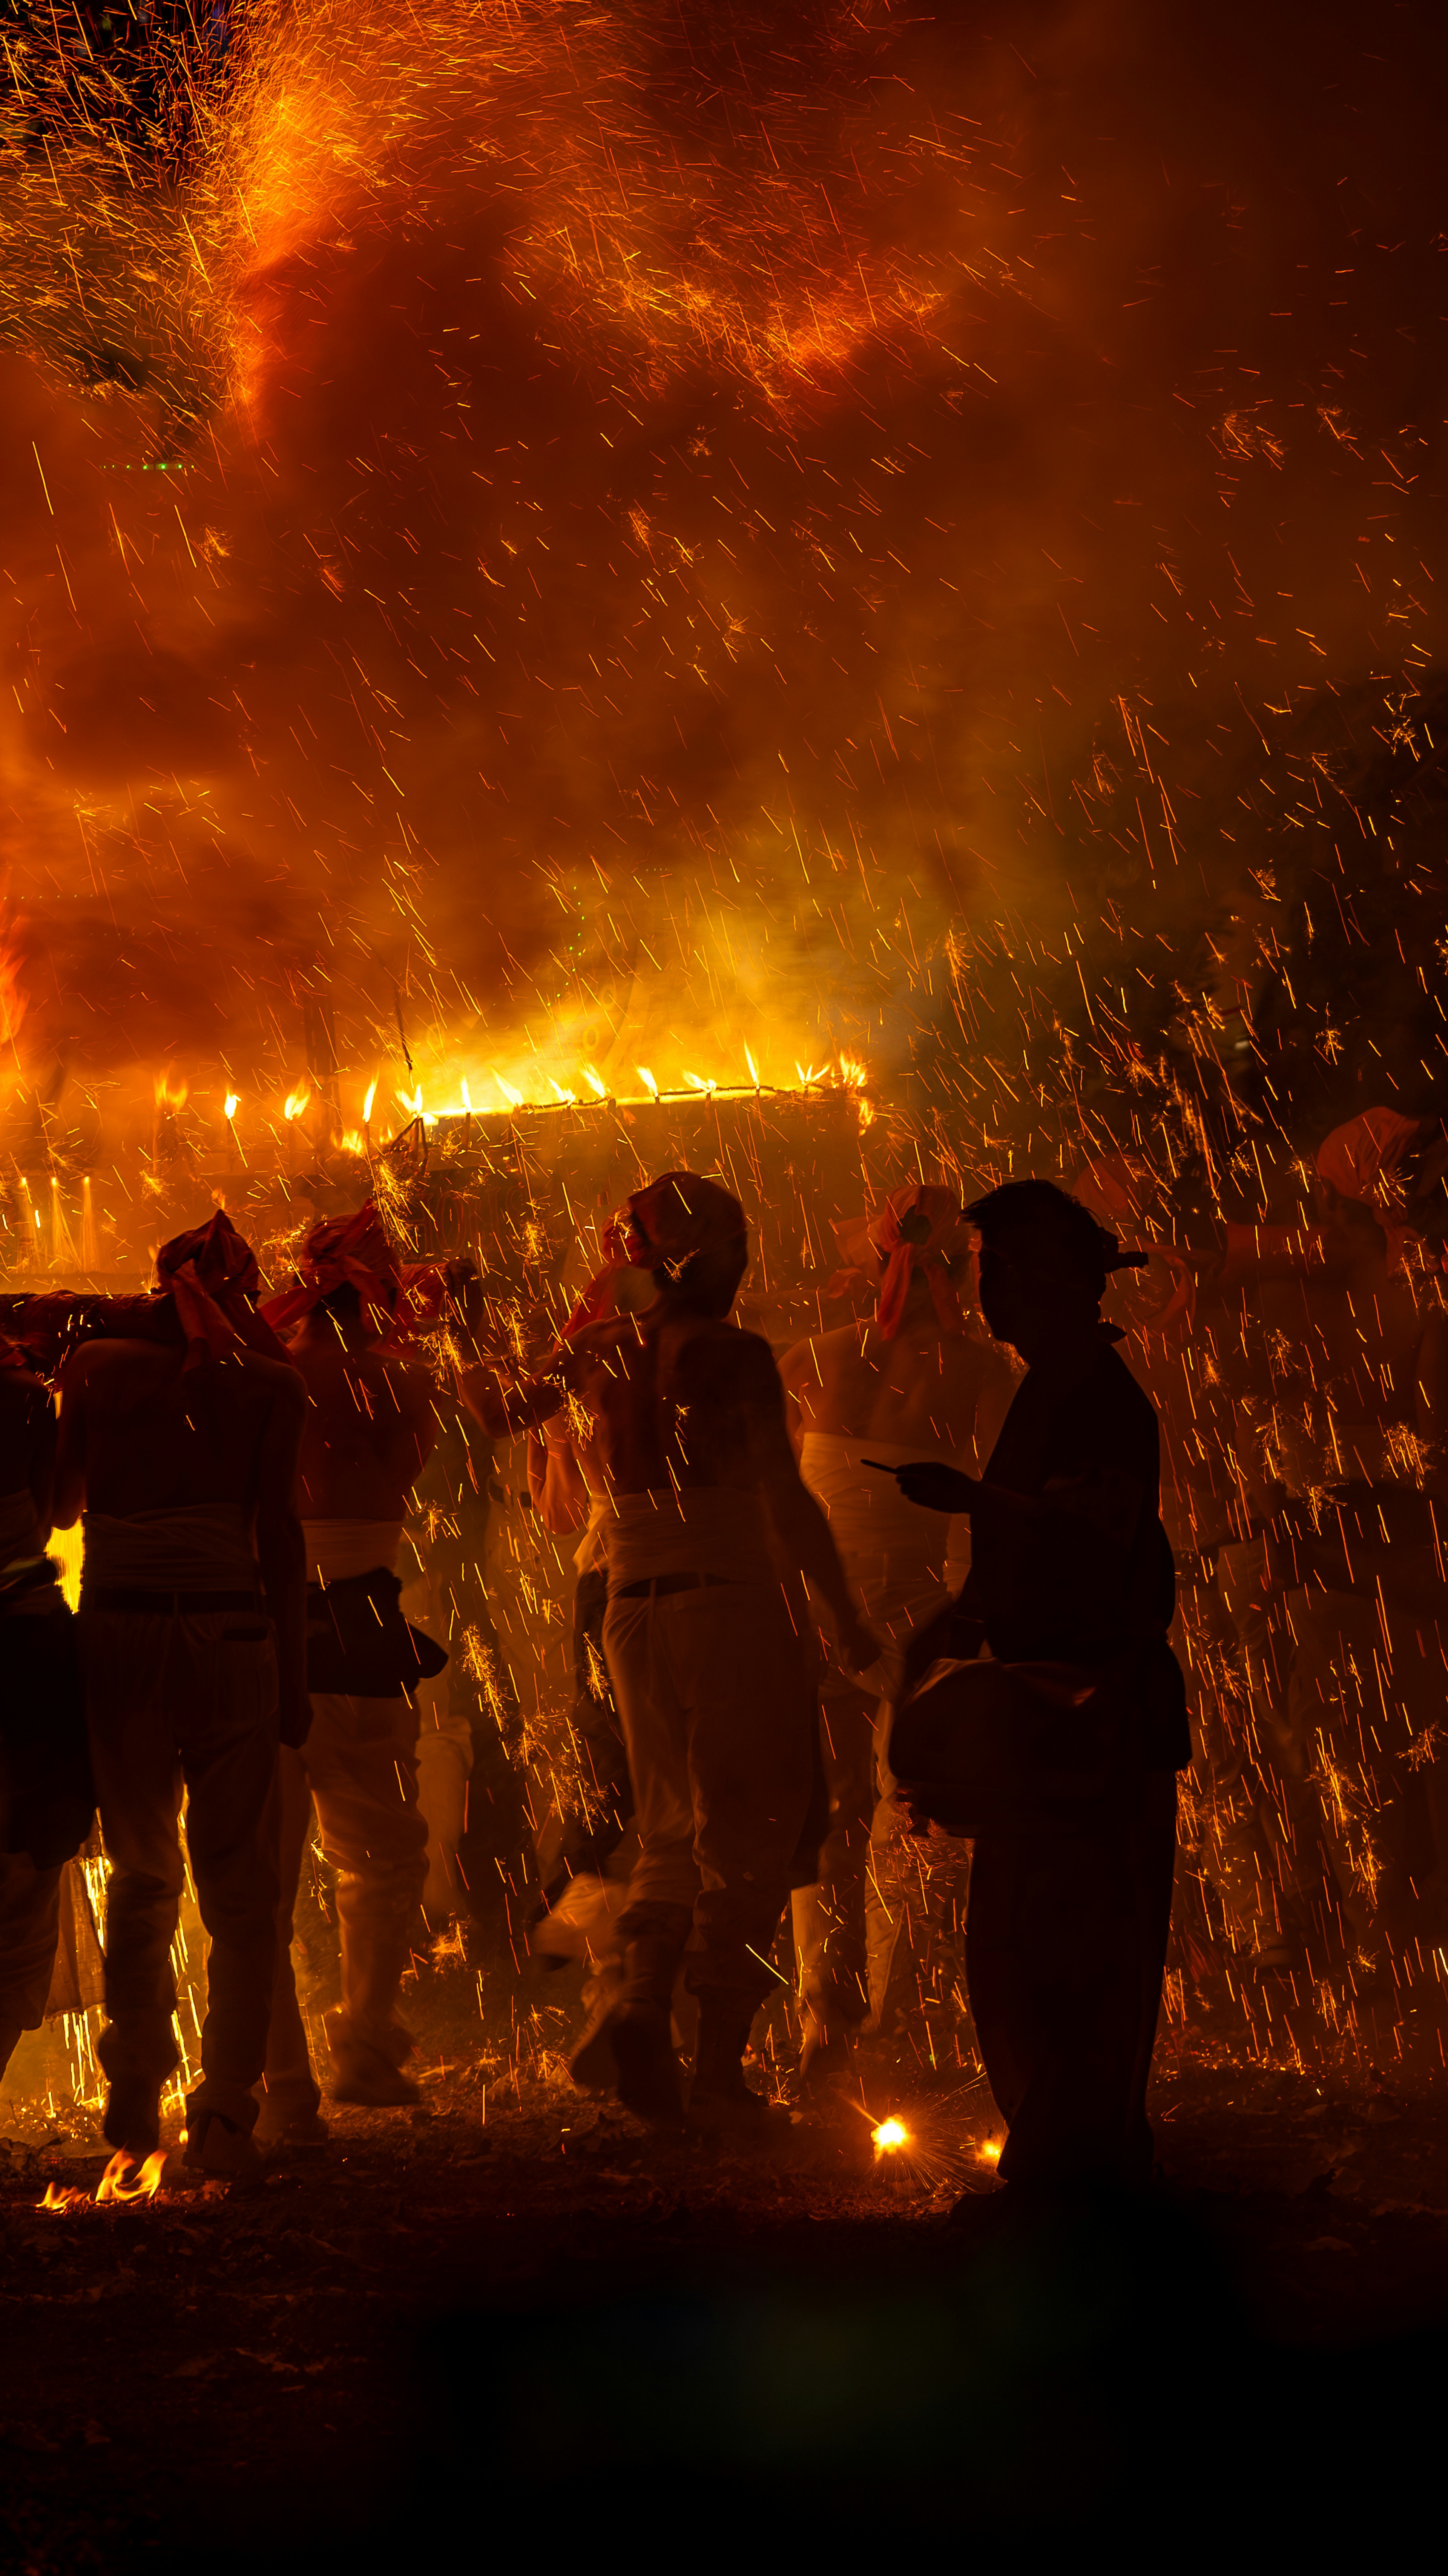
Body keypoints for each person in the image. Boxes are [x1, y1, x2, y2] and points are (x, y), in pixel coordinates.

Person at [458, 1169, 878, 2133]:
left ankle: (645, 2003)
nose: (745, 1264)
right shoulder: (733, 1354)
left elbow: (494, 1410)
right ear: (712, 1258)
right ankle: (722, 2072)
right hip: (727, 1601)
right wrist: (846, 1617)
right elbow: (786, 1497)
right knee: (759, 1828)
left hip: (630, 1605)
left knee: (666, 1828)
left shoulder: (600, 1352)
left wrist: (466, 1324)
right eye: (737, 1246)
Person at [886, 1179, 1190, 2194]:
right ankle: (1067, 2165)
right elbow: (1029, 1549)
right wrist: (958, 1622)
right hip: (1048, 1719)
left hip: (1096, 1715)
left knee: (1078, 1955)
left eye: (1002, 1273)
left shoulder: (1097, 1395)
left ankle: (1080, 2177)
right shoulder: (1051, 1386)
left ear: (1051, 1282)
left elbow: (1090, 1529)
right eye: (986, 1273)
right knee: (1021, 1954)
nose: (987, 1295)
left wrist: (972, 1496)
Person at [52, 1214, 308, 2179]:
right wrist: (295, 1683)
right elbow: (279, 1539)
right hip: (232, 1633)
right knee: (242, 1889)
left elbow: (66, 1504)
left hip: (117, 1630)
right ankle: (229, 2115)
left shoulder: (97, 1371)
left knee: (145, 1874)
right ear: (240, 1289)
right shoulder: (272, 1386)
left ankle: (131, 2091)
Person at [778, 1182, 1014, 2077]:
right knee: (907, 1812)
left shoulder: (814, 1356)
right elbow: (1001, 1495)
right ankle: (890, 2018)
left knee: (821, 1813)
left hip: (822, 1603)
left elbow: (767, 1481)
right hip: (918, 1615)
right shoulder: (983, 1370)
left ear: (873, 1265)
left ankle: (819, 2022)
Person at [256, 1203, 440, 2136]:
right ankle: (363, 2042)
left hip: (272, 1634)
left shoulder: (266, 1380)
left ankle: (283, 2088)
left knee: (262, 1875)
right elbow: (412, 1470)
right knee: (382, 1856)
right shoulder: (405, 1384)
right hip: (364, 1629)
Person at [0, 1325, 91, 2083]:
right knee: (26, 1857)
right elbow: (63, 1511)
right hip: (24, 1645)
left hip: (25, 1641)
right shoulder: (23, 1399)